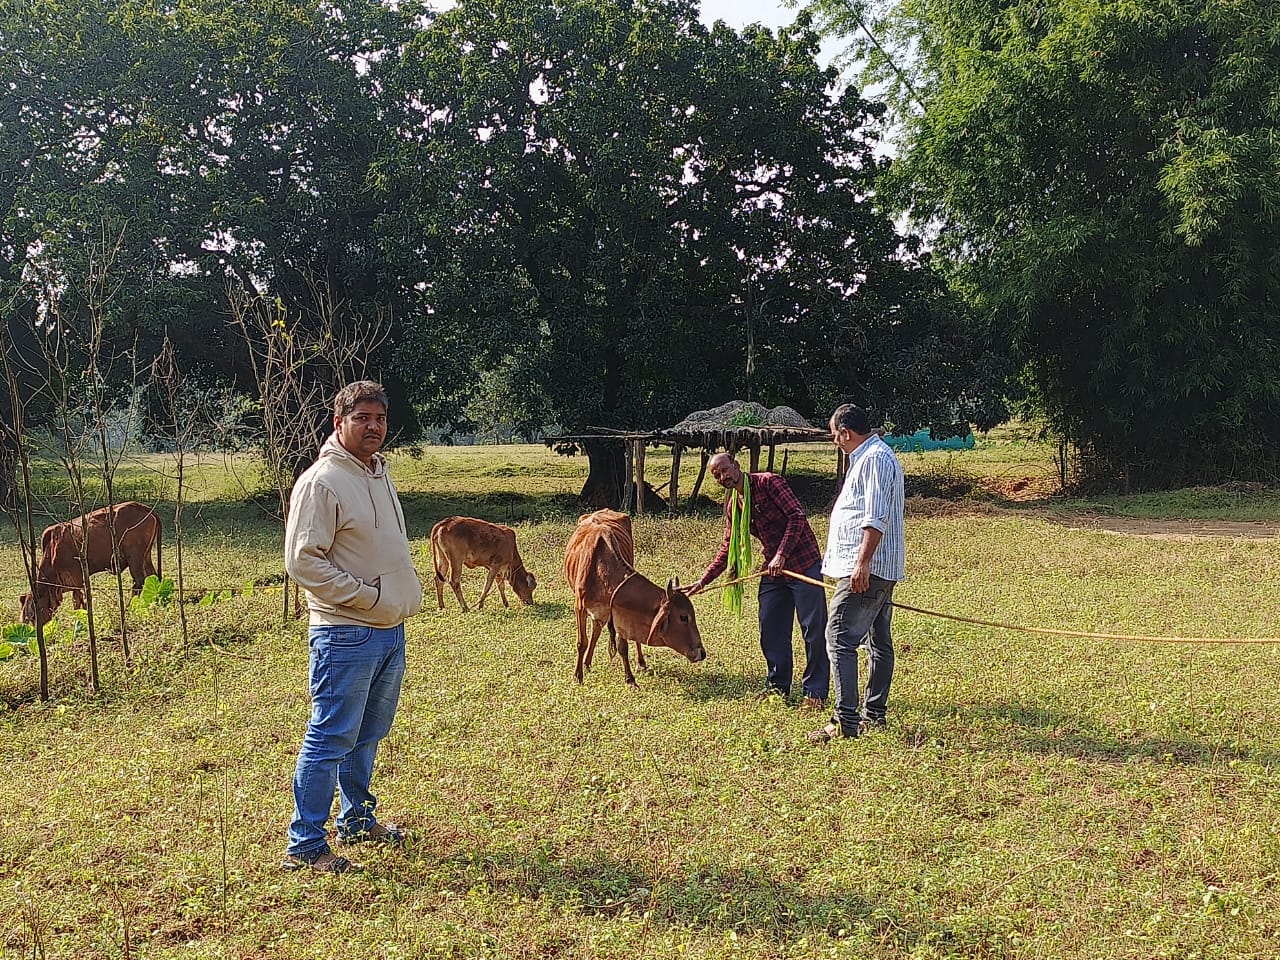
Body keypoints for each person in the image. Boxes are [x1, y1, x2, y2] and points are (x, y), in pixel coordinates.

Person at [281, 381, 424, 873]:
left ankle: (358, 820)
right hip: (346, 631)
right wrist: (369, 598)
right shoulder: (322, 481)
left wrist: (397, 598)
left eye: (380, 418)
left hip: (388, 629)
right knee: (331, 736)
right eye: (361, 417)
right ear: (339, 422)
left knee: (368, 734)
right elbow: (303, 562)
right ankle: (305, 846)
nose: (373, 426)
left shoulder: (378, 474)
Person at [682, 452, 829, 706]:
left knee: (813, 630)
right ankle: (778, 687)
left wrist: (782, 554)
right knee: (770, 629)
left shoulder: (769, 483)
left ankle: (814, 693)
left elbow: (797, 516)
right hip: (773, 571)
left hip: (803, 564)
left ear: (736, 466)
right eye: (716, 475)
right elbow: (729, 547)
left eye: (725, 470)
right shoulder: (733, 506)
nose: (722, 477)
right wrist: (703, 581)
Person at [808, 403, 905, 743]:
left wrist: (861, 564)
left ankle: (845, 721)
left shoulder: (875, 459)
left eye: (835, 436)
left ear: (846, 433)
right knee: (878, 640)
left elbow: (875, 517)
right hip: (872, 567)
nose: (836, 441)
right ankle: (873, 715)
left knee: (838, 638)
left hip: (866, 569)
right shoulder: (867, 457)